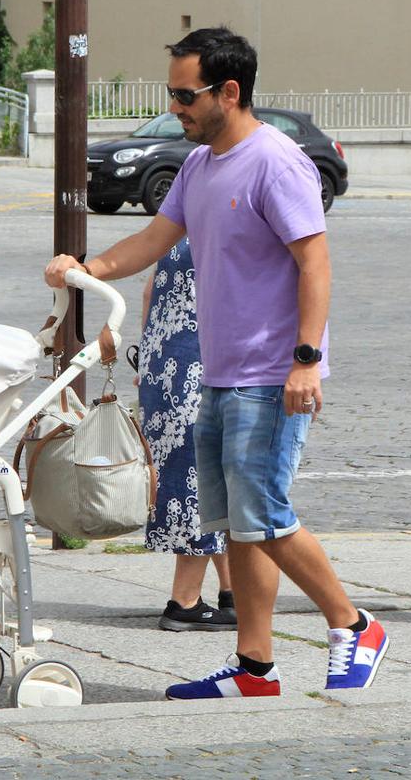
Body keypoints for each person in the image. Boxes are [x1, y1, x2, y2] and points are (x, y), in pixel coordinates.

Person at [46, 27, 387, 699]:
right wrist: (85, 270)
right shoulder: (200, 167)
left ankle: (354, 625)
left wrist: (306, 362)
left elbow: (315, 263)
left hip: (272, 374)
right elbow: (152, 239)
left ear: (228, 92)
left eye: (184, 95)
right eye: (171, 94)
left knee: (264, 512)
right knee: (234, 523)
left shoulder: (276, 162)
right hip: (220, 372)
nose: (176, 107)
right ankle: (255, 668)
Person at [139, 238, 236, 631]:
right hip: (199, 368)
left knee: (209, 480)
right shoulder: (226, 235)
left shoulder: (180, 231)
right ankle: (184, 600)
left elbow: (150, 291)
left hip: (162, 363)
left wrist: (149, 355)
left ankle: (232, 591)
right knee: (199, 483)